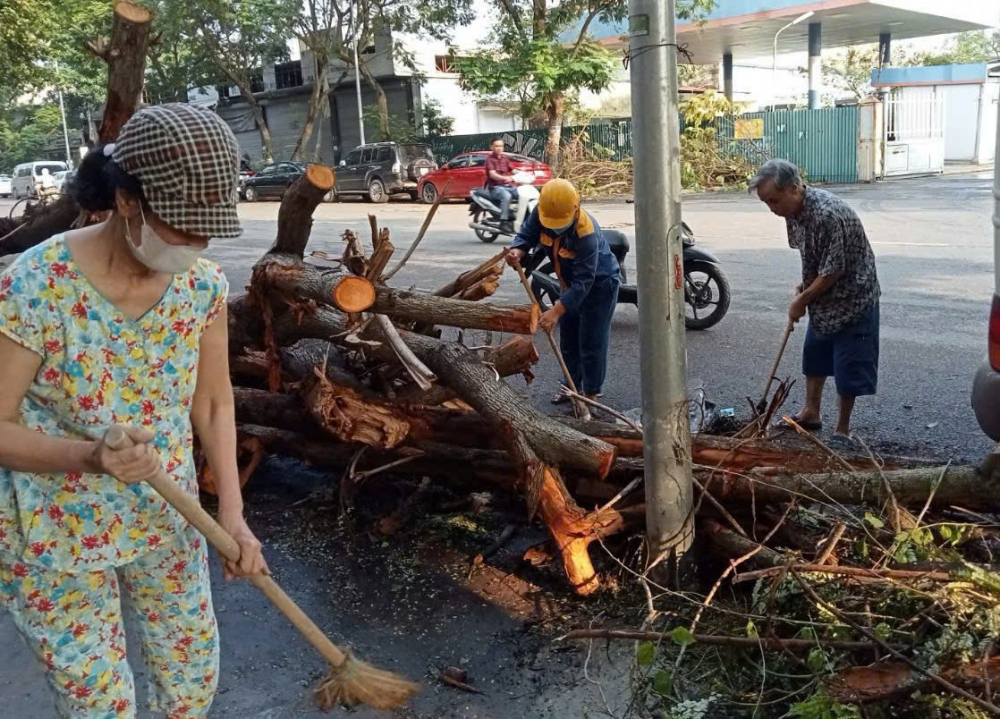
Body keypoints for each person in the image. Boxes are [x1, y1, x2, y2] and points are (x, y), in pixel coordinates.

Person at [0, 103, 266, 717]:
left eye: (208, 228)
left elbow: (214, 400)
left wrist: (232, 514)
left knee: (191, 682)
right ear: (127, 201)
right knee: (99, 704)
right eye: (181, 225)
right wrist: (90, 456)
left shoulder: (201, 287)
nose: (197, 244)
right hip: (55, 529)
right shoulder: (37, 285)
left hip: (166, 513)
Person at [750, 159, 881, 445]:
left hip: (853, 296)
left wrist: (804, 298)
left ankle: (842, 430)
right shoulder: (793, 212)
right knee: (815, 354)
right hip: (824, 294)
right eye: (766, 203)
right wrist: (805, 285)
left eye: (773, 200)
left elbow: (835, 269)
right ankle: (811, 412)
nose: (772, 208)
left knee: (849, 365)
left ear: (794, 188)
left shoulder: (827, 214)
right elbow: (811, 253)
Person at [506, 178, 621, 404]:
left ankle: (590, 395)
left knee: (591, 340)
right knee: (568, 338)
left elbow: (585, 280)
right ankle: (571, 386)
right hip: (569, 284)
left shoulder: (585, 232)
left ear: (575, 208)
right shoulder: (542, 211)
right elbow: (526, 235)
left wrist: (556, 311)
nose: (554, 226)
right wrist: (517, 251)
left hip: (599, 284)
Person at [484, 137, 517, 233]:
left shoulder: (505, 158)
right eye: (497, 146)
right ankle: (504, 222)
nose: (499, 148)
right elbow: (492, 174)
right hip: (495, 188)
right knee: (507, 196)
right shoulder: (490, 160)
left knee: (523, 193)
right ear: (492, 147)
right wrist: (505, 178)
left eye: (501, 146)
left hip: (507, 186)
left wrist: (522, 173)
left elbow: (513, 169)